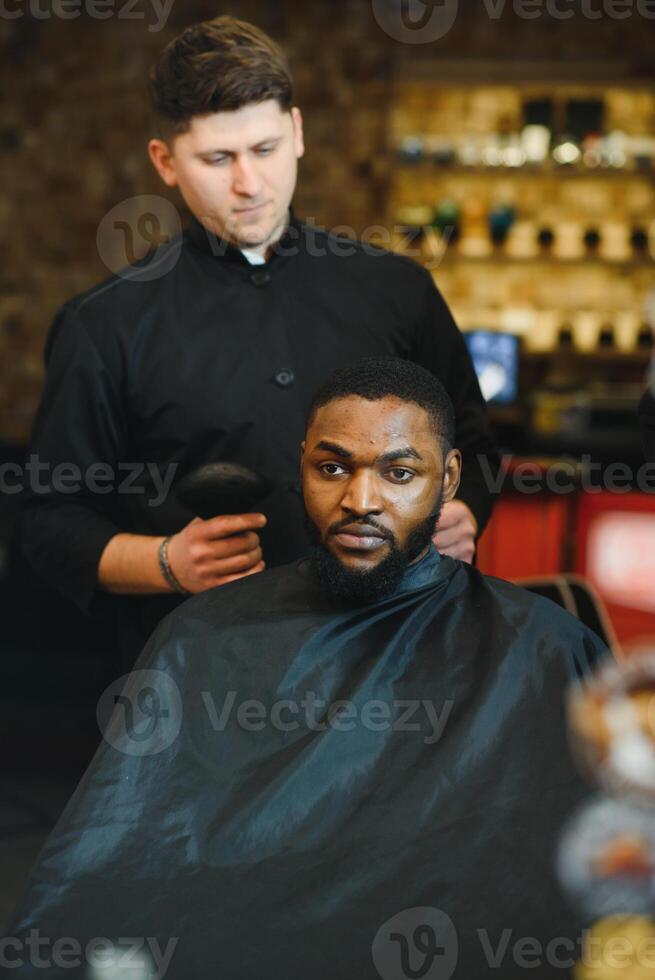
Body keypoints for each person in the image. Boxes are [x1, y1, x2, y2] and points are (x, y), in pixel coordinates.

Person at [9, 359, 606, 980]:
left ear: (449, 479)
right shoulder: (207, 632)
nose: (360, 501)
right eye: (332, 468)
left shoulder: (540, 645)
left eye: (400, 473)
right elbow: (120, 854)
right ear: (302, 465)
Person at [18, 15, 499, 667]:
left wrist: (464, 510)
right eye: (218, 159)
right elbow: (48, 523)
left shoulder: (397, 290)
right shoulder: (104, 325)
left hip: (391, 651)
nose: (249, 184)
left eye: (265, 149)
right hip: (203, 671)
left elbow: (474, 445)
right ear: (166, 161)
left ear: (296, 133)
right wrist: (164, 562)